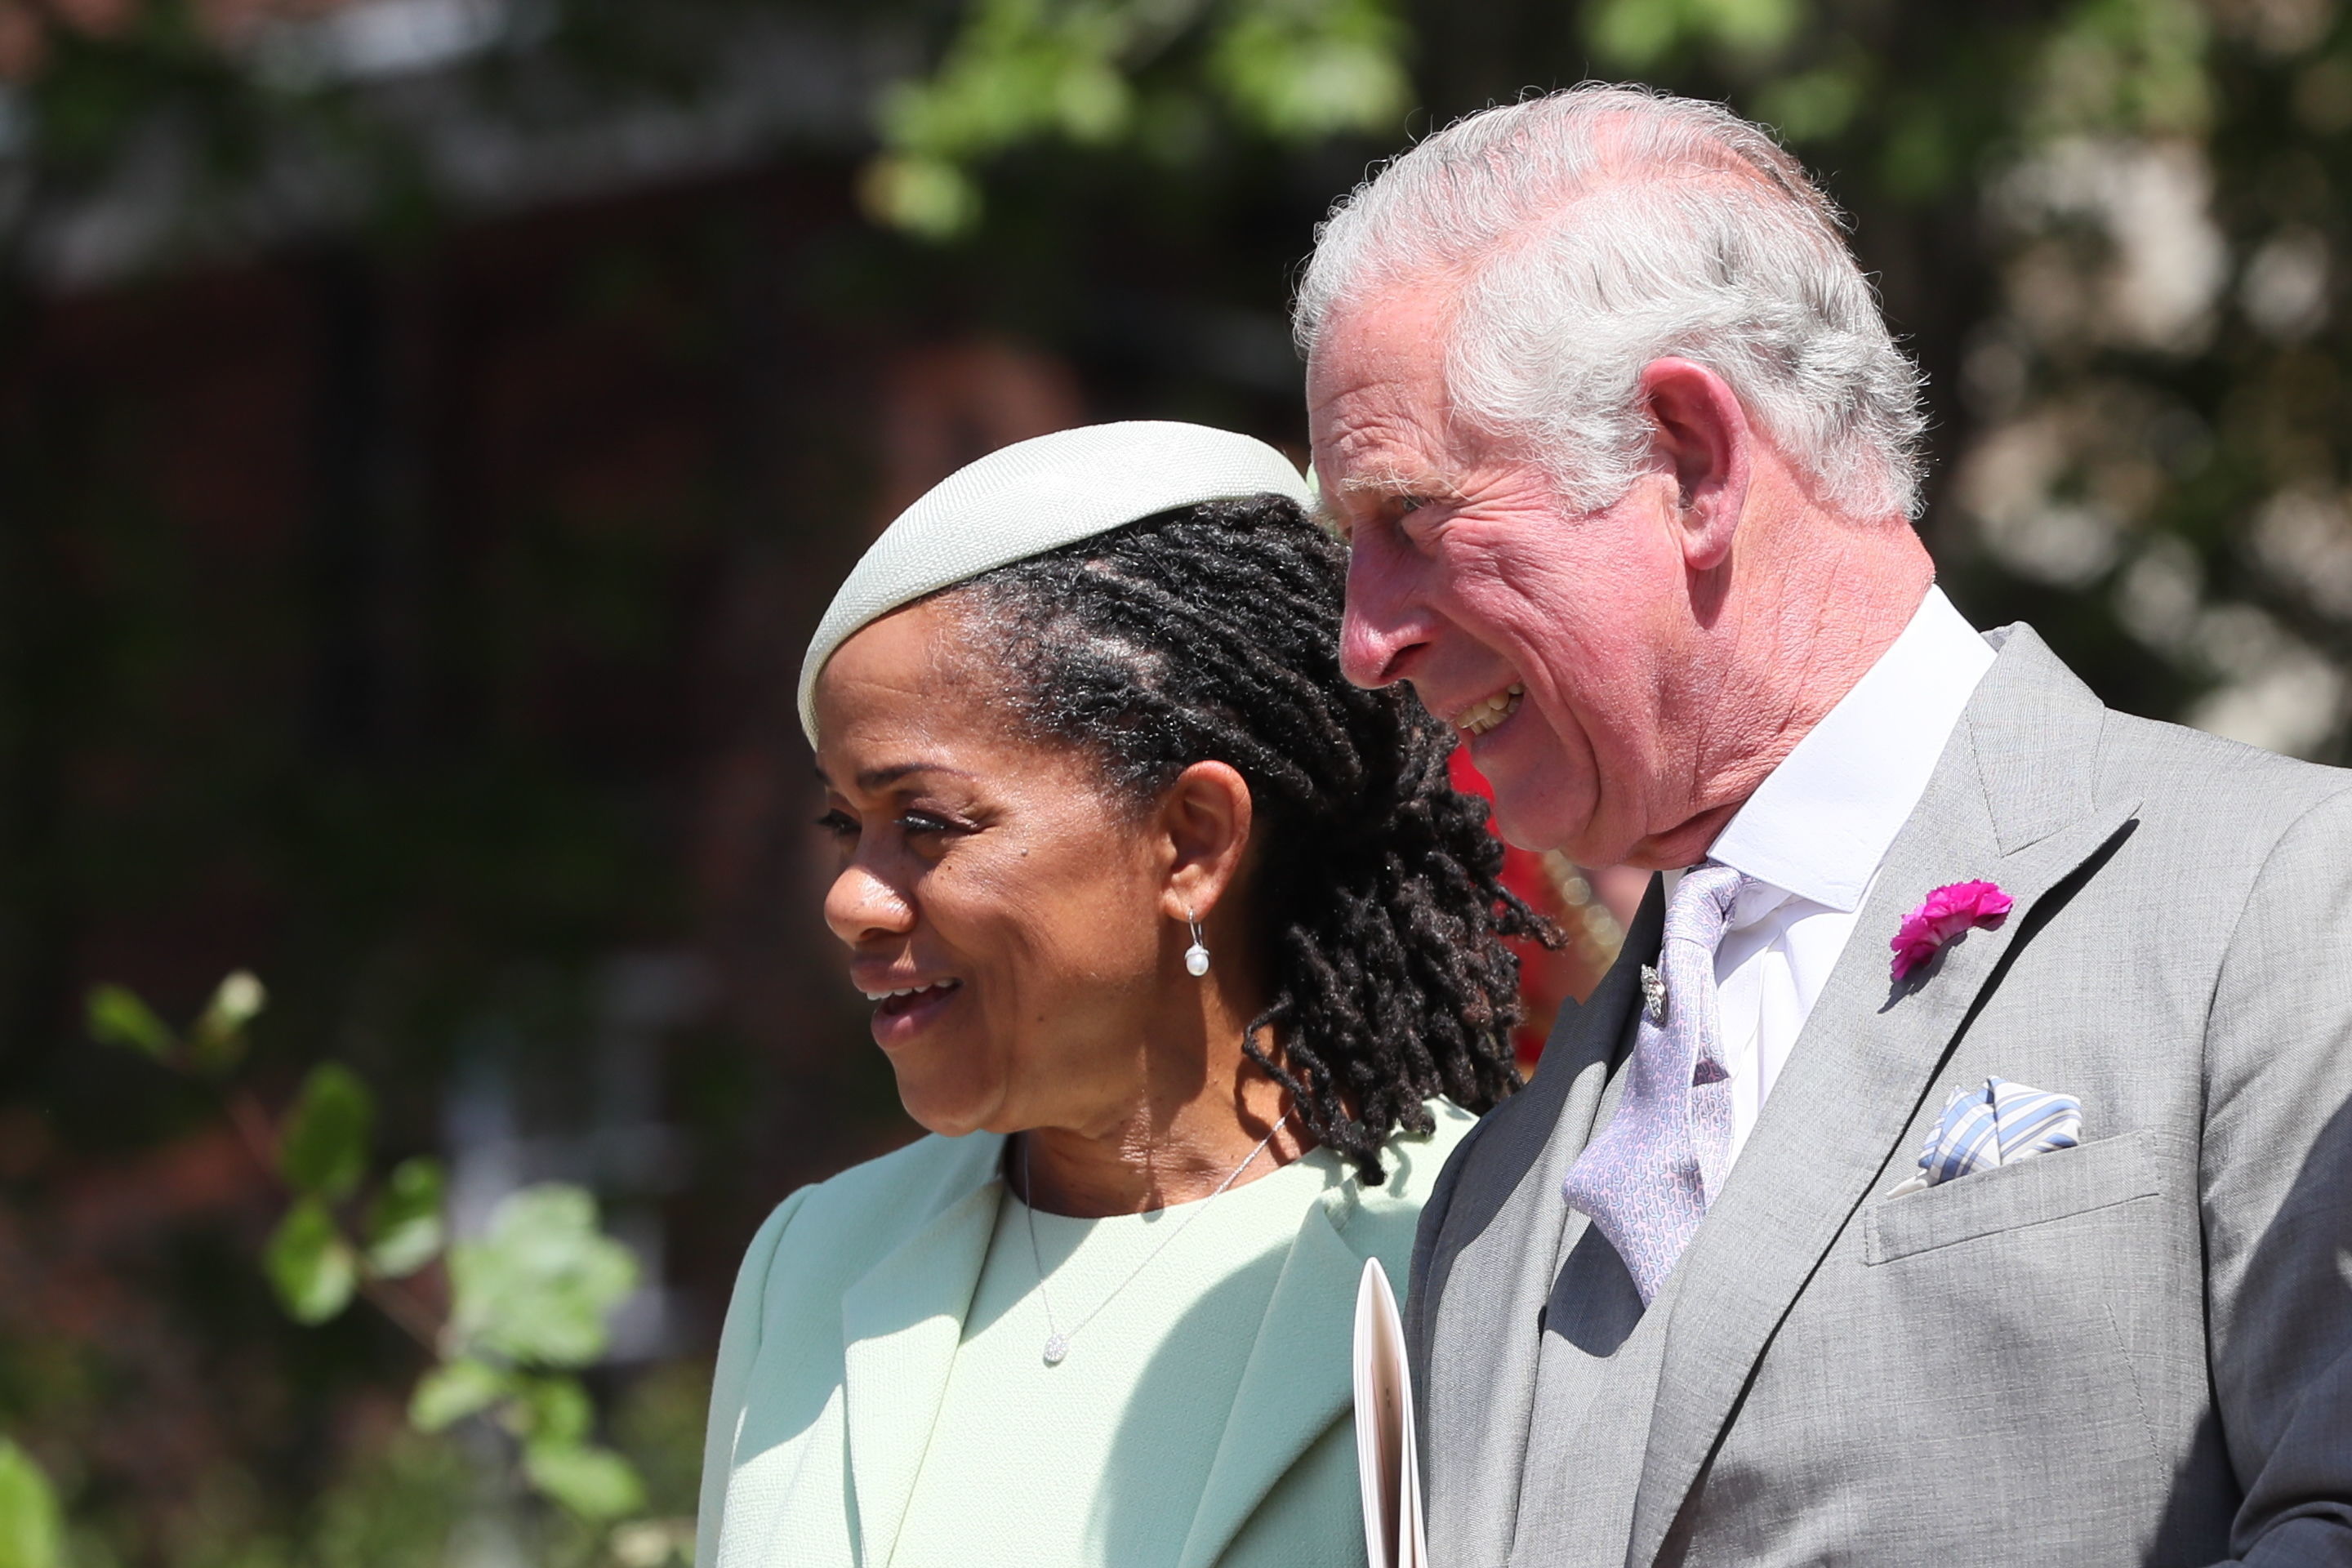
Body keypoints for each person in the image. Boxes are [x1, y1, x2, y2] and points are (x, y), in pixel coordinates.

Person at [1298, 85, 2352, 1566]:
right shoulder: (1497, 1191)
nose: (1365, 638)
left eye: (1411, 517)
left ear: (1689, 460)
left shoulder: (2284, 898)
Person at [694, 421, 1548, 1568]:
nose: (854, 900)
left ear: (1191, 840)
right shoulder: (815, 1263)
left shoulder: (1493, 1255)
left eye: (926, 824)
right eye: (848, 824)